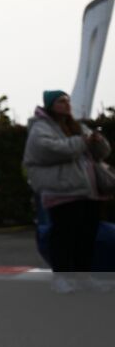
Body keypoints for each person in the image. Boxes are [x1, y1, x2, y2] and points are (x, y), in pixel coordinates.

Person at [23, 90, 111, 293]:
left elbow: (102, 152)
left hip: (87, 190)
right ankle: (61, 278)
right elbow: (47, 150)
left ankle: (84, 276)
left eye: (68, 100)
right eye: (61, 101)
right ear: (51, 105)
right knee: (64, 235)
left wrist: (99, 142)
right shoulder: (40, 128)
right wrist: (82, 142)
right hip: (61, 191)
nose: (66, 104)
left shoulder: (77, 126)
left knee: (86, 236)